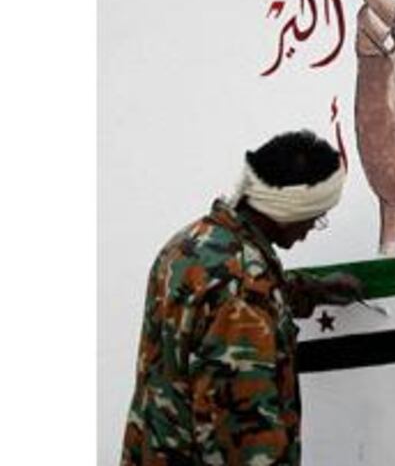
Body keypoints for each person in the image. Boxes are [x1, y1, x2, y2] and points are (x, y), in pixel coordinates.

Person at [120, 130, 363, 466]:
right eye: (315, 217)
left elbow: (213, 304)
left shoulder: (191, 243)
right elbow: (242, 430)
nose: (311, 228)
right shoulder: (245, 290)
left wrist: (311, 291)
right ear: (288, 210)